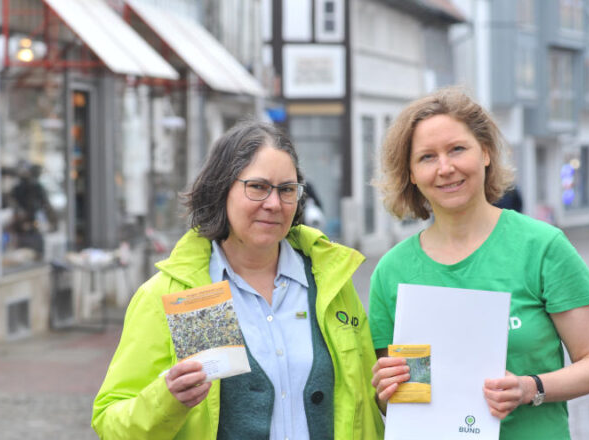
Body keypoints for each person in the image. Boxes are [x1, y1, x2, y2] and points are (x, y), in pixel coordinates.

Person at [92, 121, 384, 439]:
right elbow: (110, 421)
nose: (273, 203)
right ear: (221, 189)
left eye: (286, 189)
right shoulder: (174, 293)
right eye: (257, 187)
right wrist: (167, 399)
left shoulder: (329, 283)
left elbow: (367, 405)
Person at [368, 87, 589, 439]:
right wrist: (385, 390)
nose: (445, 168)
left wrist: (531, 388)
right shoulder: (392, 272)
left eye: (457, 149)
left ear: (485, 152)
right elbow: (396, 402)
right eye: (426, 157)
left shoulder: (542, 247)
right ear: (409, 173)